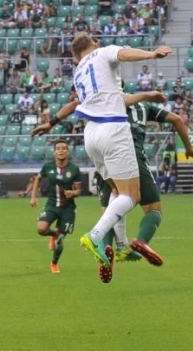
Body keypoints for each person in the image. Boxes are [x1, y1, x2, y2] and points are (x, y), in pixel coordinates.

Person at [32, 90, 193, 282]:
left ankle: (112, 249)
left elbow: (73, 105)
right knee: (152, 208)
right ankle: (139, 241)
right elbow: (177, 119)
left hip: (103, 153)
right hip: (130, 156)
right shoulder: (143, 105)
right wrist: (188, 148)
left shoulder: (102, 98)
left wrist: (51, 123)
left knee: (111, 208)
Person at [70, 32, 171, 269]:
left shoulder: (79, 72)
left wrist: (144, 96)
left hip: (91, 134)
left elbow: (114, 96)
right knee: (132, 196)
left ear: (76, 56)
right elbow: (124, 54)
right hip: (113, 128)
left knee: (117, 190)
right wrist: (152, 54)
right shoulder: (102, 52)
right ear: (95, 43)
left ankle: (123, 246)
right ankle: (95, 236)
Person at [29, 140, 82, 274]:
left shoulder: (74, 169)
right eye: (58, 148)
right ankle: (53, 233)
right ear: (54, 152)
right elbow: (38, 179)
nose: (61, 150)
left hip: (68, 209)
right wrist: (33, 197)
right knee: (41, 229)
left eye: (64, 148)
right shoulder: (48, 167)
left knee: (59, 241)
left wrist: (73, 193)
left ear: (67, 152)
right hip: (52, 204)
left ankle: (54, 264)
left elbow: (78, 191)